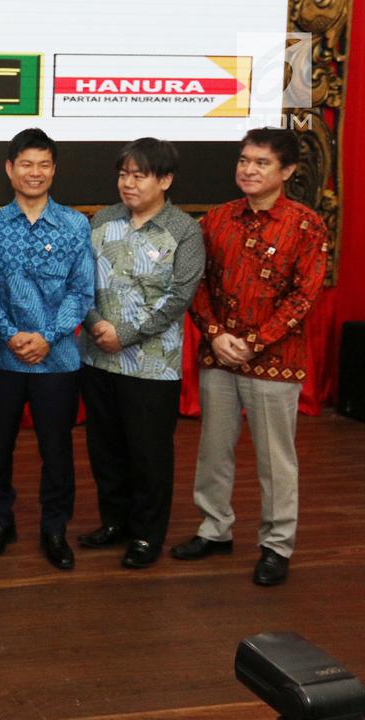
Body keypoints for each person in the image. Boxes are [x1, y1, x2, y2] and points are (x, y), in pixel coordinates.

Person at [170, 127, 328, 586]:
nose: (249, 169)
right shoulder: (217, 219)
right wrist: (216, 334)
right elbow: (195, 282)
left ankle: (276, 545)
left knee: (275, 460)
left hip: (276, 361)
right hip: (219, 355)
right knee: (213, 451)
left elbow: (304, 296)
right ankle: (214, 528)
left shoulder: (305, 224)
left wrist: (255, 342)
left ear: (288, 171)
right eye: (244, 160)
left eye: (261, 162)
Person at [77, 138, 204, 568]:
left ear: (164, 180)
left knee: (148, 453)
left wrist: (126, 333)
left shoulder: (184, 231)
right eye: (123, 174)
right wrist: (96, 324)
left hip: (152, 364)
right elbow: (83, 282)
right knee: (105, 447)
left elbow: (178, 297)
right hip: (98, 356)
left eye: (139, 175)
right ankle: (115, 522)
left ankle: (147, 535)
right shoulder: (103, 220)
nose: (128, 184)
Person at [0, 128, 94, 571]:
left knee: (57, 449)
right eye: (26, 164)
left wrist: (47, 334)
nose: (35, 172)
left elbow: (81, 291)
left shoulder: (74, 225)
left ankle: (54, 528)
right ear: (10, 169)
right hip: (0, 357)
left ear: (54, 170)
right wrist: (10, 335)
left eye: (43, 164)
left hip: (59, 358)